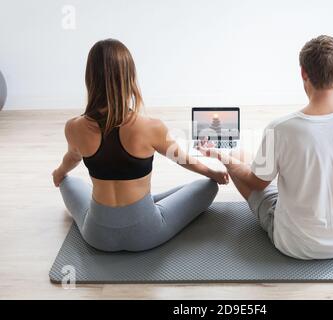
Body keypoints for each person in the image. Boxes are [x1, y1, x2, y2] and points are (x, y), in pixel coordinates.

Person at [198, 35, 333, 260]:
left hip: (294, 244)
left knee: (236, 157)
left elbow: (256, 183)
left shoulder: (280, 129)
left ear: (303, 72)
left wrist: (220, 155)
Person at [52, 39, 229, 252]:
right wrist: (213, 173)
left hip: (97, 235)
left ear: (90, 78)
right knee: (207, 186)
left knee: (66, 182)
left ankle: (143, 203)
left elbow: (72, 157)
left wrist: (59, 173)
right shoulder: (150, 127)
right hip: (146, 233)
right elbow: (183, 159)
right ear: (129, 78)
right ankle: (145, 203)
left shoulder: (74, 127)